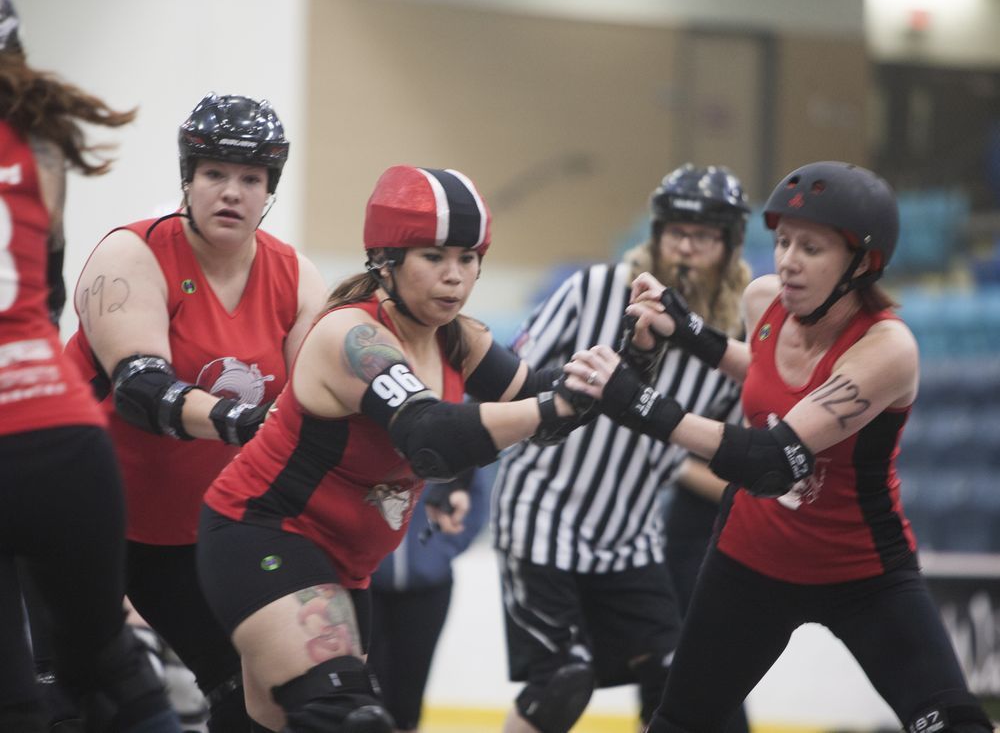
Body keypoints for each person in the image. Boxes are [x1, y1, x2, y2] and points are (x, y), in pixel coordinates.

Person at [563, 161, 994, 732]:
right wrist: (686, 326)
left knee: (952, 724)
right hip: (751, 560)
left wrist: (639, 404)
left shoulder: (886, 348)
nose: (787, 260)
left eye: (811, 248)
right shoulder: (763, 300)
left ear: (862, 264)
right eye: (783, 242)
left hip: (861, 568)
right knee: (678, 724)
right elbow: (763, 369)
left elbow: (771, 459)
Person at [195, 164, 582, 733]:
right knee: (346, 716)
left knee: (268, 724)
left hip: (348, 567)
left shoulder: (459, 338)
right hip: (265, 533)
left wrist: (621, 369)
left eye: (468, 259)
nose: (454, 277)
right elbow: (432, 440)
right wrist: (558, 405)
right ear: (387, 260)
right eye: (434, 257)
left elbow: (540, 409)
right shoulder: (353, 336)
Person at [63, 92, 328, 732]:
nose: (230, 193)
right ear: (188, 178)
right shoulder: (132, 255)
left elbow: (326, 400)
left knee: (251, 702)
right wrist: (251, 421)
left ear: (270, 190)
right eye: (214, 174)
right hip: (79, 520)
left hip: (188, 535)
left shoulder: (296, 278)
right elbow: (143, 390)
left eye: (249, 178)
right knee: (60, 703)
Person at [491, 164, 751, 733]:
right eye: (675, 231)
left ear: (730, 247)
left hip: (630, 534)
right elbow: (508, 376)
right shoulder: (595, 290)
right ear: (655, 233)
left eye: (703, 236)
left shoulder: (733, 346)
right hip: (543, 511)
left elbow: (736, 450)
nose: (685, 248)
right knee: (562, 683)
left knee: (680, 679)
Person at [0, 0, 182, 731]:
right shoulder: (42, 146)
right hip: (65, 436)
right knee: (106, 667)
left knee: (17, 699)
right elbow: (41, 286)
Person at [367, 465, 491, 733]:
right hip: (364, 585)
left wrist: (440, 553)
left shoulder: (444, 440)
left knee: (409, 693)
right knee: (365, 690)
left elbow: (475, 498)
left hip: (429, 589)